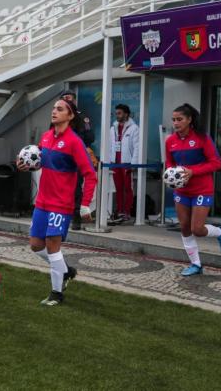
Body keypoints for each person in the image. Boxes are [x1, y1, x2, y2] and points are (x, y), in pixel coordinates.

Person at [18, 98, 97, 305]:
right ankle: (65, 270)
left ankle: (56, 293)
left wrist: (85, 203)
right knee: (36, 245)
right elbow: (39, 160)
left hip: (61, 204)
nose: (54, 111)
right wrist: (27, 165)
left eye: (59, 109)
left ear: (70, 116)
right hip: (42, 201)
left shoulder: (74, 142)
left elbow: (90, 174)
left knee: (53, 246)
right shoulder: (45, 137)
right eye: (53, 108)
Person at [165, 104, 221, 276]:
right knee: (185, 227)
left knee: (197, 229)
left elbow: (216, 163)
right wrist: (171, 174)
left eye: (180, 119)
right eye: (174, 120)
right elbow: (169, 162)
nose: (176, 123)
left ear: (189, 119)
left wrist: (193, 172)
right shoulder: (170, 141)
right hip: (181, 191)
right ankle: (196, 264)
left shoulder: (202, 138)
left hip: (202, 189)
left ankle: (220, 233)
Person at [60, 90, 94, 230]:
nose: (66, 101)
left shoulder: (82, 117)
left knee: (75, 188)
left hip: (76, 157)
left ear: (74, 101)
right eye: (64, 99)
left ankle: (76, 218)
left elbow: (90, 137)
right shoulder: (58, 117)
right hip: (61, 157)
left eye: (69, 98)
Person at [109, 104, 139, 221]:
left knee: (128, 188)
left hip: (127, 163)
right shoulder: (113, 128)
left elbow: (137, 147)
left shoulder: (134, 128)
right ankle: (119, 210)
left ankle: (126, 212)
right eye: (116, 113)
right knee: (118, 188)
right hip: (115, 162)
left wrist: (133, 164)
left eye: (120, 113)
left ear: (126, 114)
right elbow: (110, 145)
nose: (117, 115)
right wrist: (110, 161)